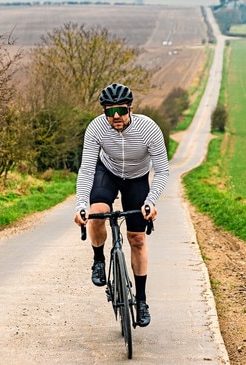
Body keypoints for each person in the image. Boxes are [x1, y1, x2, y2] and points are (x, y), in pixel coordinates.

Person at [73, 83, 169, 327]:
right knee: (96, 213)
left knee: (137, 239)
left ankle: (142, 300)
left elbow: (162, 171)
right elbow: (86, 170)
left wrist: (151, 201)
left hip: (137, 178)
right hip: (108, 172)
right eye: (110, 112)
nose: (116, 117)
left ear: (131, 109)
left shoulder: (149, 129)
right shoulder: (96, 128)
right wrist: (81, 204)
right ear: (104, 112)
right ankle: (98, 260)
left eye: (122, 111)